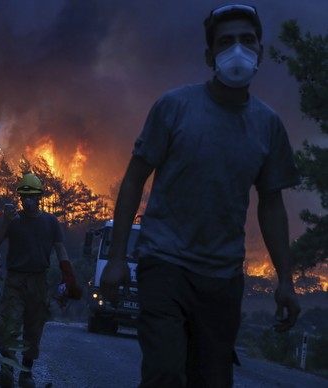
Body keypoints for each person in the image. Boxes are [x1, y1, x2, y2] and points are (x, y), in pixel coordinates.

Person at [100, 5, 301, 388]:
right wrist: (116, 258)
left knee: (212, 379)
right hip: (164, 262)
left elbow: (271, 205)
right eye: (226, 42)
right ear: (210, 57)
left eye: (247, 40)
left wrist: (286, 282)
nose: (238, 49)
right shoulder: (174, 107)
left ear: (259, 51)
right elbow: (133, 180)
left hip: (223, 276)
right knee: (164, 372)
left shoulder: (268, 125)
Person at [0, 173, 82, 388]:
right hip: (15, 280)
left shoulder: (50, 222)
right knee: (9, 324)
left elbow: (60, 249)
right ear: (20, 197)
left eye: (31, 195)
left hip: (38, 281)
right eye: (24, 196)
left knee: (34, 328)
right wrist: (5, 222)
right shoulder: (13, 220)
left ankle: (26, 373)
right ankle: (7, 370)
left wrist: (68, 276)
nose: (27, 200)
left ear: (40, 197)